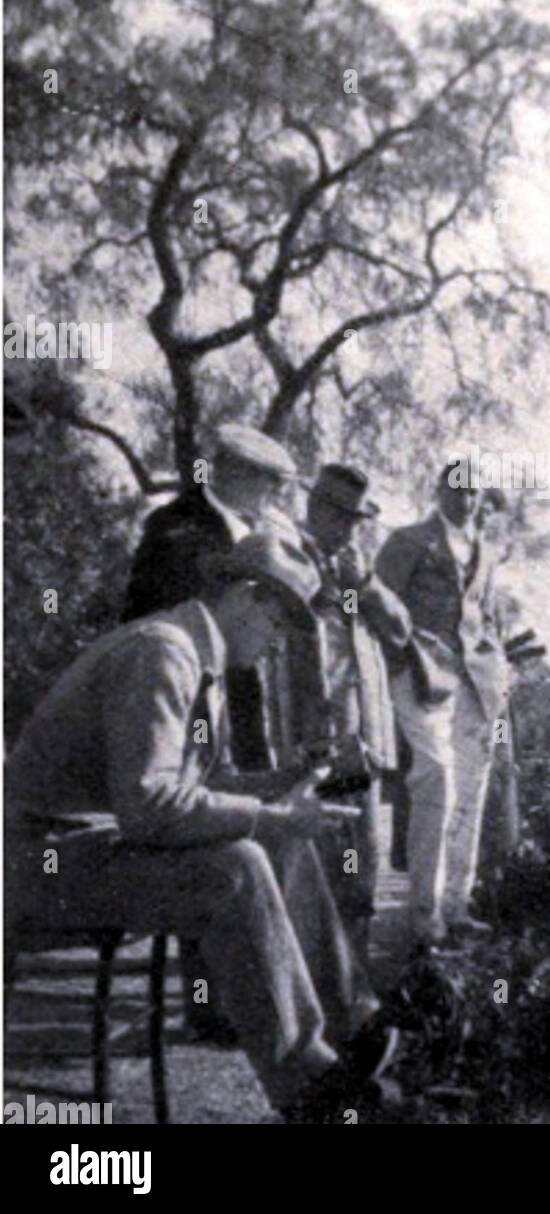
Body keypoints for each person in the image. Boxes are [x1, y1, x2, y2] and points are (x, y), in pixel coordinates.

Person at [6, 530, 400, 1123]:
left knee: (279, 844)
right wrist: (271, 816)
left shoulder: (198, 658)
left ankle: (352, 1031)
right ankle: (307, 1087)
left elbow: (204, 787)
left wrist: (299, 777)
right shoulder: (163, 654)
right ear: (243, 596)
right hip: (36, 864)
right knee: (237, 866)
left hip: (90, 848)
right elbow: (149, 806)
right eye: (275, 622)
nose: (276, 644)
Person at [375, 459, 510, 950]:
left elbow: (487, 619)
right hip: (422, 675)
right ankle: (424, 913)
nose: (465, 499)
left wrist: (499, 671)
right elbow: (378, 606)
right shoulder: (408, 541)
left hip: (476, 683)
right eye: (457, 489)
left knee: (471, 790)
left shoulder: (487, 553)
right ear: (438, 491)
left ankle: (457, 906)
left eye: (474, 492)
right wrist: (401, 663)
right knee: (438, 779)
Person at [122, 423, 299, 772]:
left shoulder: (257, 531)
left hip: (240, 692)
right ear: (233, 472)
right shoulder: (176, 525)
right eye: (269, 481)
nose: (276, 494)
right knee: (192, 780)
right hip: (185, 685)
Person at [300, 464, 412, 961]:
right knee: (325, 868)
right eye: (340, 516)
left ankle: (352, 979)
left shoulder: (356, 571)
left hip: (363, 740)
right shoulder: (290, 558)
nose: (348, 530)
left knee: (361, 865)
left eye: (355, 520)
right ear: (314, 508)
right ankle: (325, 983)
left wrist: (363, 584)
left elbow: (400, 630)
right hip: (320, 741)